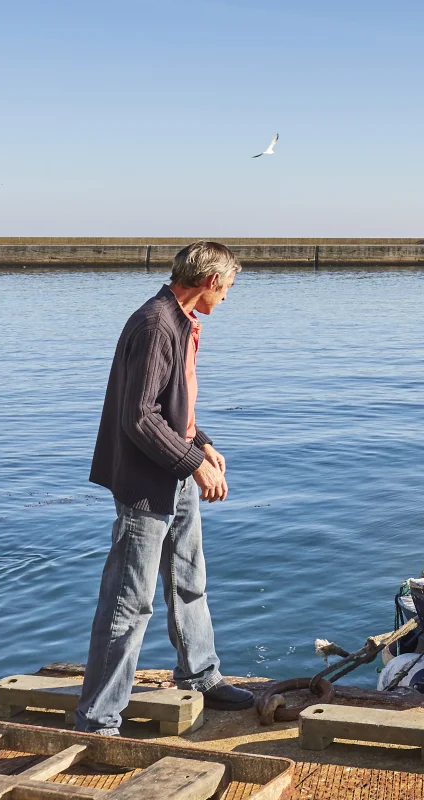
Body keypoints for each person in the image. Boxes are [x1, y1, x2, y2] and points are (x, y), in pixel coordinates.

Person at [74, 242, 253, 735]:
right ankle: (98, 719)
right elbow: (140, 417)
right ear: (210, 281)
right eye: (228, 287)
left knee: (188, 580)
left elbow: (172, 406)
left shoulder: (180, 321)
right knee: (129, 602)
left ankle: (201, 675)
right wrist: (195, 464)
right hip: (145, 484)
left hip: (174, 473)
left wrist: (202, 443)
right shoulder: (156, 324)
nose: (227, 296)